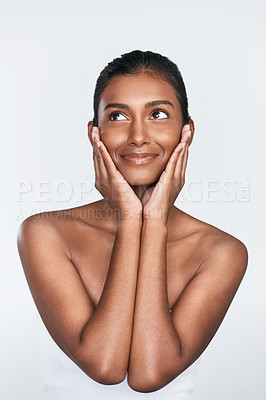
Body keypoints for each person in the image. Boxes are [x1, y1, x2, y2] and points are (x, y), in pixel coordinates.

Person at [17, 50, 248, 399]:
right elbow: (105, 366)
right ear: (95, 133)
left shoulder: (220, 252)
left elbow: (148, 374)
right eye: (118, 116)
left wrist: (153, 222)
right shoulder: (45, 234)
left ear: (187, 131)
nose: (138, 136)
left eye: (157, 114)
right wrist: (130, 220)